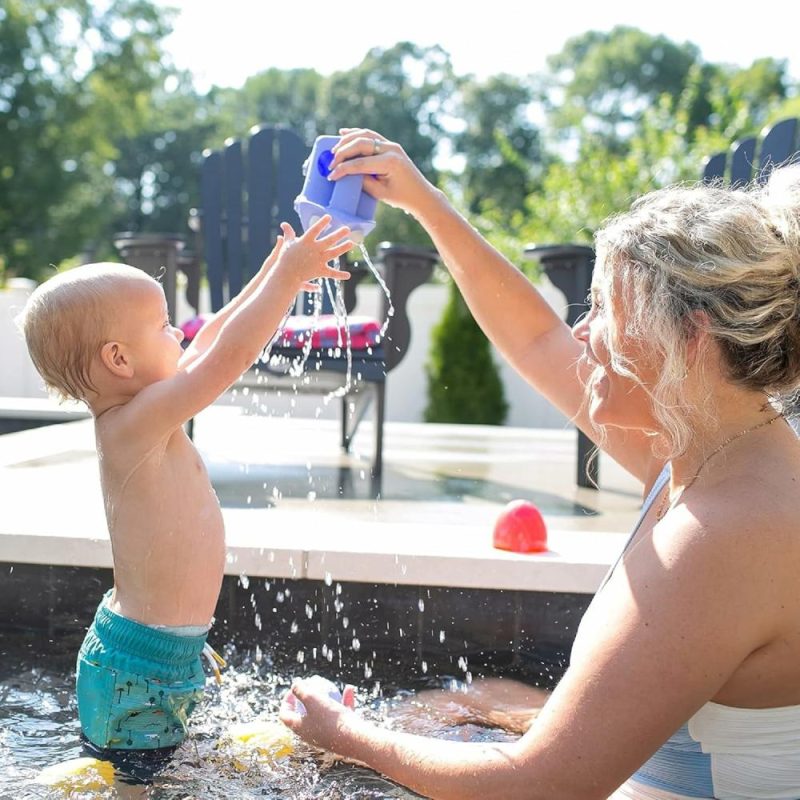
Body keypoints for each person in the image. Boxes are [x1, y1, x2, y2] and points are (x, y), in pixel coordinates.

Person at [280, 129, 800, 799]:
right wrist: (428, 204)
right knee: (469, 698)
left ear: (691, 338)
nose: (582, 331)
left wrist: (344, 732)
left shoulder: (727, 530)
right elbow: (533, 338)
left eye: (604, 308)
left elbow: (544, 786)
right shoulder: (707, 451)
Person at [19, 216, 353, 784]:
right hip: (139, 668)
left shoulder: (148, 405)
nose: (180, 334)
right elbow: (227, 359)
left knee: (167, 770)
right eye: (164, 326)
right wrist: (285, 279)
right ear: (119, 359)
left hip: (158, 652)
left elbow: (213, 336)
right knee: (139, 782)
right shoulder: (131, 423)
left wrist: (277, 273)